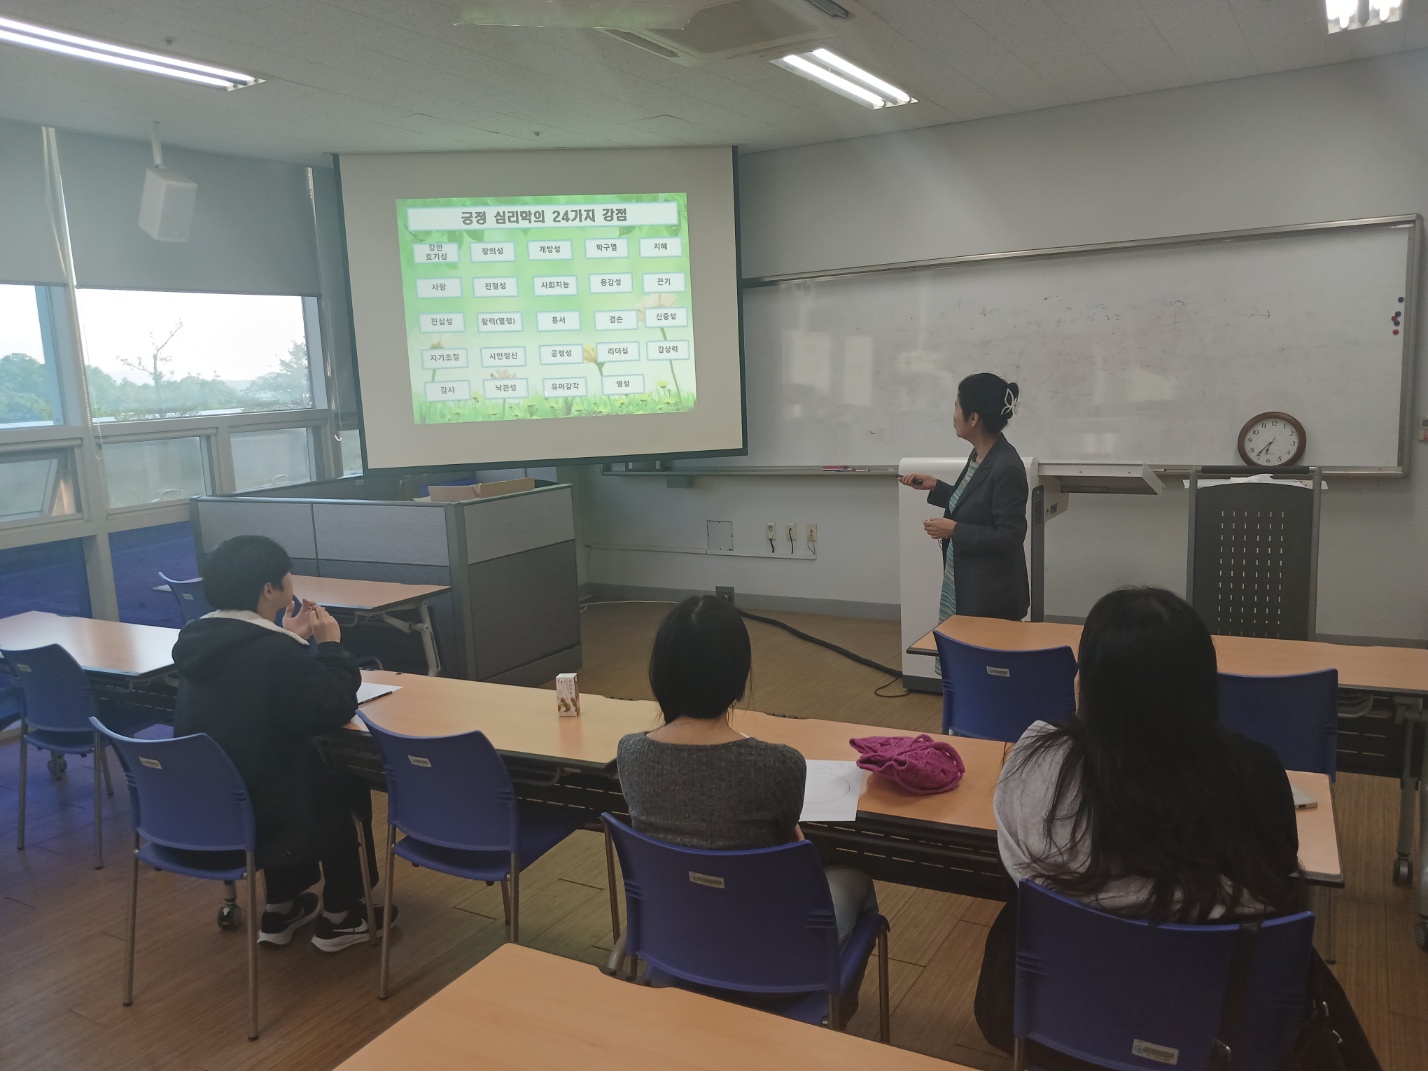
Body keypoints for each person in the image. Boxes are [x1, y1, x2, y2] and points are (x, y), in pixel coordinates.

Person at [973, 587, 1378, 1070]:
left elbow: (1019, 890)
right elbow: (1276, 890)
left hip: (1055, 1025)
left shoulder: (1037, 767)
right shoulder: (1256, 776)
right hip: (1218, 1034)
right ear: (1203, 688)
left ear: (1093, 685)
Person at [172, 535, 393, 952]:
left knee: (277, 760)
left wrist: (288, 639)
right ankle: (341, 916)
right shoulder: (272, 652)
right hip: (268, 810)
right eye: (286, 574)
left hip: (210, 806)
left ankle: (281, 906)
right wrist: (331, 647)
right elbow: (331, 706)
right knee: (340, 774)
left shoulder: (198, 637)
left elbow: (258, 691)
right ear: (269, 589)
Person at [617, 595, 877, 950]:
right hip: (764, 946)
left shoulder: (630, 753)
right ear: (738, 679)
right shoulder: (778, 764)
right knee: (855, 877)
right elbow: (792, 853)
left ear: (659, 673)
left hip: (673, 934)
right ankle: (825, 984)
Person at [899, 372, 1029, 623]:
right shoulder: (980, 454)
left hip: (990, 596)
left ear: (973, 418)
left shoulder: (1007, 467)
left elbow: (1010, 536)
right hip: (967, 581)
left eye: (957, 406)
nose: (953, 415)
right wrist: (936, 487)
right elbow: (976, 502)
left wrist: (955, 530)